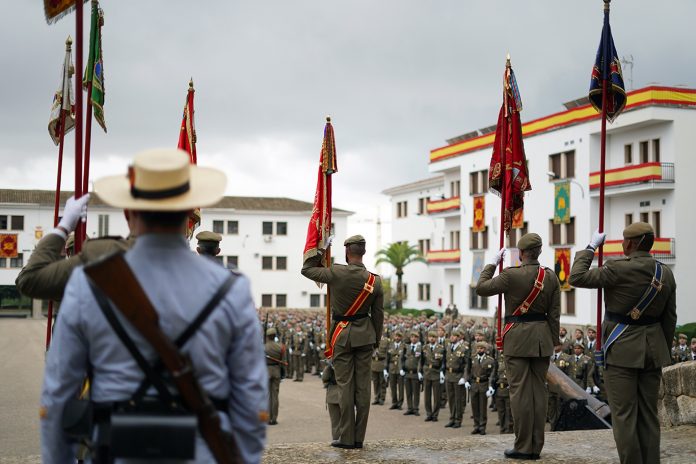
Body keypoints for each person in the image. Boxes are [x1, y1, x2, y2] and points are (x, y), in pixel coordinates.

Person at [40, 148, 267, 463]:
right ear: (190, 214)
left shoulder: (88, 284)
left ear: (128, 213)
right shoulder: (232, 290)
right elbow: (251, 402)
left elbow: (58, 399)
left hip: (115, 451)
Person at [569, 222, 677, 464]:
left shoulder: (616, 269)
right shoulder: (665, 273)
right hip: (653, 352)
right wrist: (661, 350)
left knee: (624, 416)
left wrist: (590, 247)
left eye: (625, 240)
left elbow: (576, 276)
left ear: (631, 243)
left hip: (621, 352)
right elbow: (669, 319)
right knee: (649, 416)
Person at [476, 232, 560, 460]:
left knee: (520, 393)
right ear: (540, 251)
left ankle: (523, 446)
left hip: (518, 339)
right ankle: (536, 446)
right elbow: (554, 315)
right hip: (542, 340)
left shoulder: (511, 275)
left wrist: (492, 263)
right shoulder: (550, 277)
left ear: (521, 253)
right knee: (539, 393)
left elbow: (481, 287)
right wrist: (553, 342)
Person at [301, 234, 384, 450]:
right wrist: (376, 340)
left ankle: (346, 438)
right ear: (363, 252)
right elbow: (378, 316)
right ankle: (359, 438)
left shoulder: (336, 272)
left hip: (342, 335)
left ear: (347, 251)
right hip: (366, 336)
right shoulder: (375, 281)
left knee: (345, 386)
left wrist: (320, 250)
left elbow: (307, 270)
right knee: (363, 388)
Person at [15, 194, 131, 301]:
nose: (75, 252)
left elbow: (28, 280)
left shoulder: (76, 268)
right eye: (73, 249)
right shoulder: (111, 256)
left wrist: (63, 227)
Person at [465, 341, 495, 435]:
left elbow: (492, 375)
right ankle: (476, 425)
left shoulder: (490, 360)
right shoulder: (472, 358)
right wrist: (466, 380)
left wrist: (490, 386)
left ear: (485, 350)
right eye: (478, 348)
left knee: (482, 407)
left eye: (481, 348)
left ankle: (482, 426)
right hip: (474, 384)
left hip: (483, 384)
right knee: (474, 407)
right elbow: (468, 369)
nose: (479, 350)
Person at [443, 329, 468, 429]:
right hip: (449, 375)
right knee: (451, 399)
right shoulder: (448, 347)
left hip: (458, 376)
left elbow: (466, 365)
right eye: (451, 336)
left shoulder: (463, 349)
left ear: (458, 338)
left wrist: (464, 378)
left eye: (454, 336)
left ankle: (458, 420)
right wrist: (443, 372)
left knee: (458, 399)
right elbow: (445, 361)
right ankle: (452, 418)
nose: (451, 338)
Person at [422, 330, 446, 422]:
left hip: (436, 372)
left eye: (433, 337)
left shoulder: (441, 348)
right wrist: (420, 371)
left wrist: (441, 372)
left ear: (436, 338)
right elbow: (422, 360)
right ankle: (429, 413)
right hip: (427, 372)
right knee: (427, 395)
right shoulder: (425, 347)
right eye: (430, 337)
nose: (431, 338)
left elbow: (443, 362)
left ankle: (435, 414)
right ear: (428, 338)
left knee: (437, 396)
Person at [265, 327, 285, 426]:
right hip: (276, 371)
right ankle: (274, 418)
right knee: (275, 396)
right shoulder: (280, 346)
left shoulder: (263, 347)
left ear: (267, 336)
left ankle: (268, 418)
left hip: (266, 371)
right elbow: (282, 360)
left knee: (267, 395)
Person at [401, 331, 423, 417]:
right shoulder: (407, 347)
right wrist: (401, 368)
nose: (413, 338)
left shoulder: (421, 347)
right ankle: (409, 408)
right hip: (407, 372)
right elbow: (402, 358)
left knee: (416, 392)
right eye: (412, 337)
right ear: (410, 338)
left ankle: (415, 408)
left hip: (415, 373)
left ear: (418, 338)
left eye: (415, 337)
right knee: (408, 392)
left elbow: (421, 360)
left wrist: (420, 372)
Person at [494, 350, 513, 434]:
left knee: (509, 411)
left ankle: (509, 429)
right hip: (499, 389)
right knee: (501, 411)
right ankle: (502, 428)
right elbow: (494, 374)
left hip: (508, 388)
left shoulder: (512, 362)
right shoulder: (499, 362)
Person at [386, 330, 406, 410]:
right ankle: (394, 402)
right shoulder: (390, 345)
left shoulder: (404, 346)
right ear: (393, 337)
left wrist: (403, 368)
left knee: (401, 387)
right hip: (392, 368)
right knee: (392, 386)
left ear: (401, 337)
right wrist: (385, 369)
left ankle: (400, 403)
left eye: (399, 336)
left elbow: (404, 358)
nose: (397, 337)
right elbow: (387, 357)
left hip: (400, 368)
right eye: (396, 336)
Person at [322, 364, 341, 442]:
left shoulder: (330, 366)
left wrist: (328, 366)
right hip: (346, 393)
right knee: (347, 420)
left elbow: (325, 378)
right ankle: (347, 439)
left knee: (335, 421)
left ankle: (336, 439)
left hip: (333, 394)